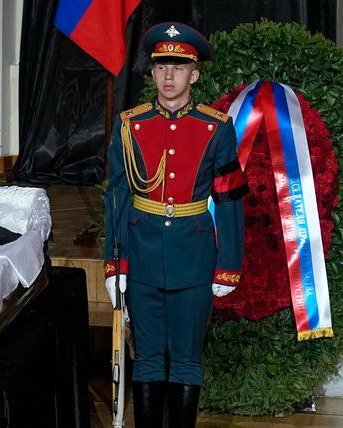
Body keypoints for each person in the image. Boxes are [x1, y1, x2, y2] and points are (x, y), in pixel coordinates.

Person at [103, 22, 248, 428]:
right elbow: (116, 195)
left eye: (179, 67)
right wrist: (114, 263)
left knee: (186, 358)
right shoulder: (130, 125)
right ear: (151, 73)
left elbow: (230, 197)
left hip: (195, 255)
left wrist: (229, 263)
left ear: (194, 74)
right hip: (142, 249)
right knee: (146, 356)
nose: (169, 76)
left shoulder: (215, 127)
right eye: (161, 66)